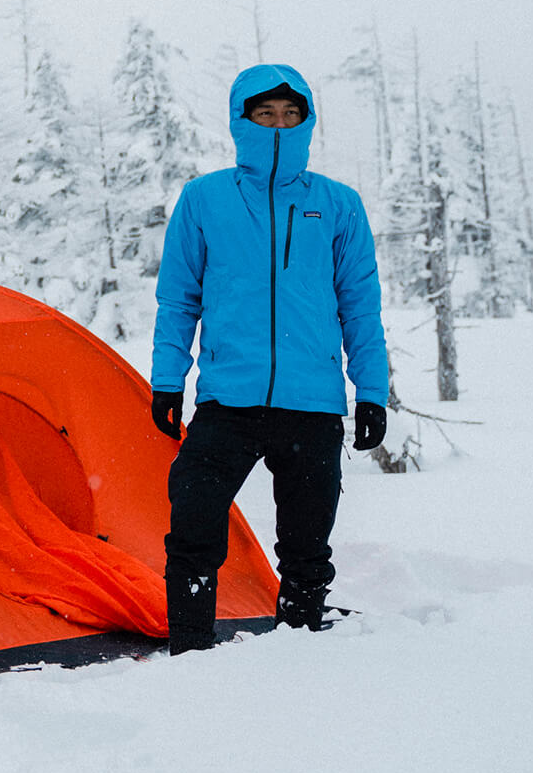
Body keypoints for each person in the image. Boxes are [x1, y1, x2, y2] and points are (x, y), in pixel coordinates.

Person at [150, 62, 389, 652]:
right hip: (228, 400)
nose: (279, 124)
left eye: (291, 113)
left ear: (307, 121)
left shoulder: (338, 204)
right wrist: (167, 379)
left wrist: (372, 391)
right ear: (242, 121)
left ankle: (300, 648)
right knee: (194, 521)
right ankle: (189, 647)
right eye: (265, 113)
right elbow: (178, 298)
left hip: (311, 403)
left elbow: (360, 307)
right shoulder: (204, 199)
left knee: (307, 545)